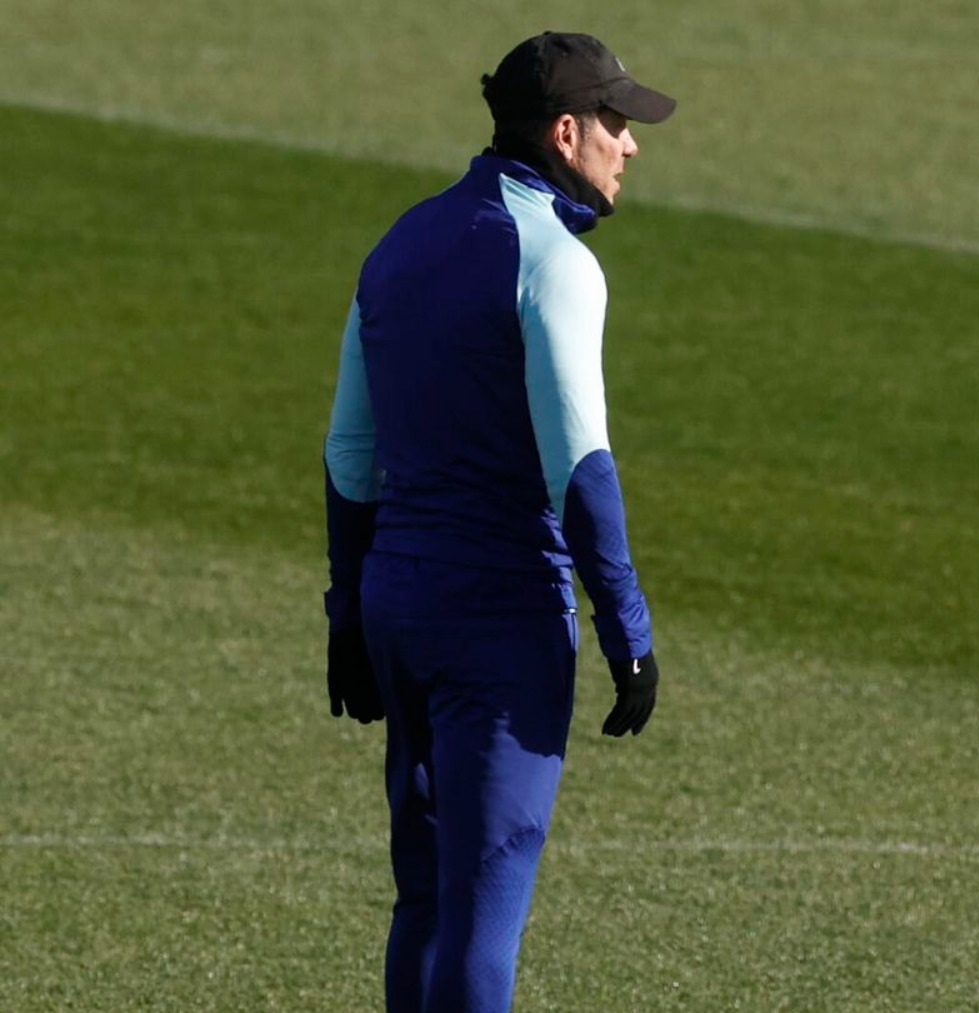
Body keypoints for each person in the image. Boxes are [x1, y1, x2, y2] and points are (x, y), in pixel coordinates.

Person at [321, 31, 675, 1013]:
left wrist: (347, 611)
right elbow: (582, 468)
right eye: (616, 124)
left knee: (425, 896)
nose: (631, 145)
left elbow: (351, 457)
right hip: (501, 615)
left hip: (399, 601)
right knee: (485, 901)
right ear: (567, 133)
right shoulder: (554, 261)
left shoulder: (397, 243)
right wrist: (628, 631)